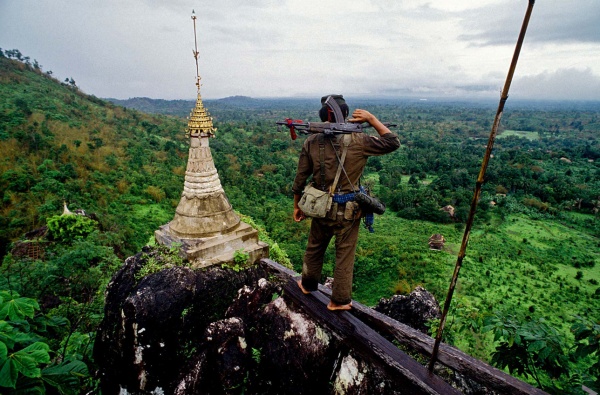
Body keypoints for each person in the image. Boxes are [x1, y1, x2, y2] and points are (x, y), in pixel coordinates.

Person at [292, 95, 400, 310]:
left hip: (319, 207)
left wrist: (297, 205)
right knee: (344, 256)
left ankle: (307, 285)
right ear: (346, 115)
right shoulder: (360, 141)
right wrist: (371, 119)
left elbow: (300, 178)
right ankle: (339, 301)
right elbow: (392, 142)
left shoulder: (312, 141)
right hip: (348, 210)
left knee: (314, 248)